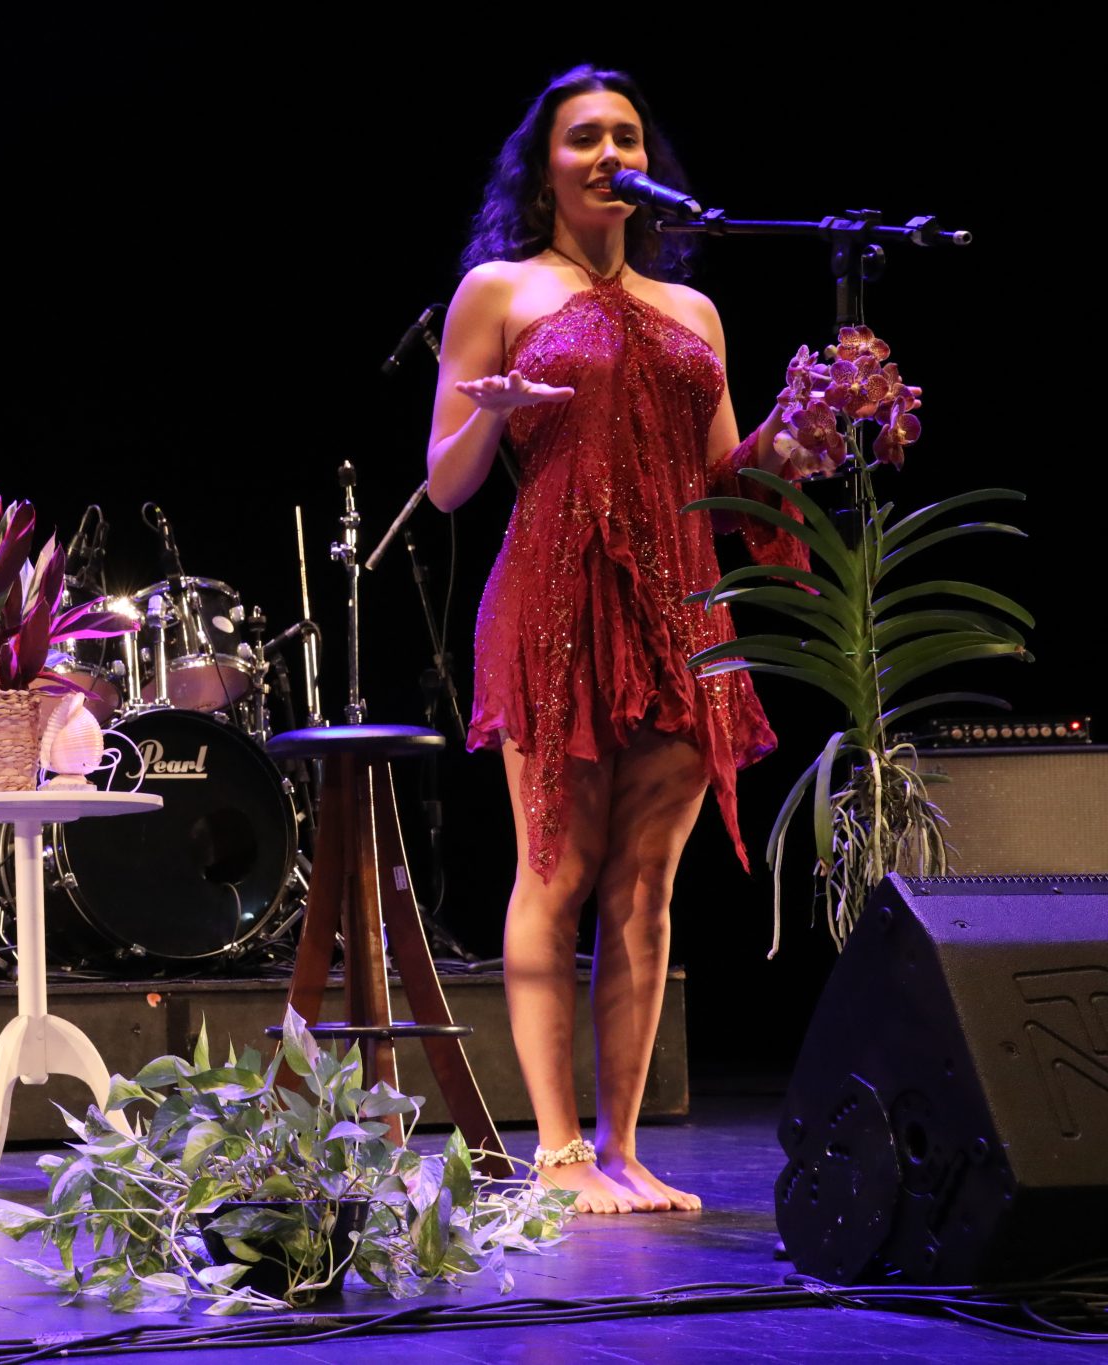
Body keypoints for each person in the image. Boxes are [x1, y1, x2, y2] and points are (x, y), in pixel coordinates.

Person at [426, 67, 807, 1214]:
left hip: (681, 614)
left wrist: (790, 449)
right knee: (555, 872)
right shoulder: (497, 288)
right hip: (551, 603)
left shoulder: (693, 314)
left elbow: (718, 479)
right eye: (581, 138)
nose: (605, 154)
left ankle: (623, 1149)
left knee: (643, 891)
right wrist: (487, 412)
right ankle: (552, 1152)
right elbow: (444, 488)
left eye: (624, 137)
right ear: (541, 167)